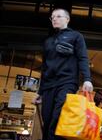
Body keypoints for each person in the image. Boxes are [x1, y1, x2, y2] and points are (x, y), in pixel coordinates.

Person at [32, 8, 93, 140]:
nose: (54, 19)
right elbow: (44, 67)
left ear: (67, 19)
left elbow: (83, 58)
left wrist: (87, 79)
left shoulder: (76, 36)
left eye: (58, 16)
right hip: (48, 86)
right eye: (52, 17)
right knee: (47, 120)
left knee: (58, 117)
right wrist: (40, 92)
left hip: (67, 82)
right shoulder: (48, 41)